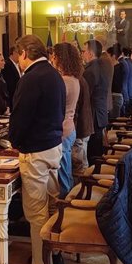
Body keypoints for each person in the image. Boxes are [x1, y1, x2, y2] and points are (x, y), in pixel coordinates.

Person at [8, 35, 65, 264]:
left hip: (36, 153)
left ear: (23, 53)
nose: (18, 61)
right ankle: (55, 255)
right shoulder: (53, 74)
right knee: (52, 206)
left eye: (17, 55)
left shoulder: (31, 77)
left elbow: (20, 117)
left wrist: (15, 142)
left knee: (36, 212)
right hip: (53, 147)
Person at [50, 42, 81, 199]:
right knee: (66, 168)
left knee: (62, 170)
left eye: (54, 56)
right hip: (70, 127)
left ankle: (64, 204)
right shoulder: (74, 79)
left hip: (63, 128)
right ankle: (68, 199)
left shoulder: (64, 81)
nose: (52, 59)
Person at [82, 39, 113, 163]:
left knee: (93, 152)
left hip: (93, 115)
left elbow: (85, 96)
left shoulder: (90, 71)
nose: (82, 54)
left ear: (90, 53)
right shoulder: (101, 67)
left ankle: (93, 177)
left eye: (84, 51)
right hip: (100, 112)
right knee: (96, 149)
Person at [72, 73, 94, 177]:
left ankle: (79, 191)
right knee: (83, 163)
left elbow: (75, 110)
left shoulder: (75, 81)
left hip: (79, 129)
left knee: (79, 167)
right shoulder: (80, 79)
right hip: (85, 126)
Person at [107, 46, 124, 119]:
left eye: (107, 56)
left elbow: (114, 85)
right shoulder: (119, 66)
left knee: (113, 121)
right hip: (116, 97)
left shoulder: (116, 69)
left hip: (115, 98)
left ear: (113, 56)